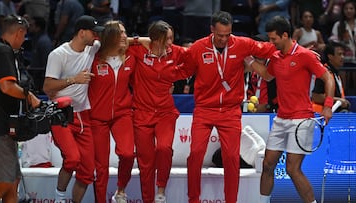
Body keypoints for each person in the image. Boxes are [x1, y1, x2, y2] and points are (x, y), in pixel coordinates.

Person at [181, 11, 276, 203]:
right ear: (212, 30)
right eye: (220, 35)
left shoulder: (241, 44)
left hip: (230, 111)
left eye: (227, 35)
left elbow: (269, 49)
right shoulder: (198, 48)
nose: (224, 39)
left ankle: (231, 200)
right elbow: (183, 69)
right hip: (204, 109)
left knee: (232, 158)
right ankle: (193, 199)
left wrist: (298, 50)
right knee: (196, 154)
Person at [245, 15, 335, 203]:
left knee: (292, 169)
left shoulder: (305, 55)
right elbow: (267, 76)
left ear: (285, 35)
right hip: (281, 118)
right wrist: (249, 59)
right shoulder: (275, 58)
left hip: (301, 120)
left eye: (273, 39)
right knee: (267, 164)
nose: (271, 42)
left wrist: (327, 106)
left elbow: (328, 78)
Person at [43, 15, 104, 203]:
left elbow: (119, 37)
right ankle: (59, 197)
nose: (96, 37)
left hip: (83, 114)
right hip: (61, 115)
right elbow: (47, 87)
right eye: (93, 32)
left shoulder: (92, 47)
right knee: (72, 159)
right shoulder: (58, 55)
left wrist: (139, 39)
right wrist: (73, 79)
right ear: (81, 33)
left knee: (87, 171)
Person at [127, 20, 186, 203]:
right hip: (142, 112)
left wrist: (177, 76)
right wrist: (139, 40)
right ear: (153, 38)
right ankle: (148, 199)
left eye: (171, 38)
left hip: (165, 112)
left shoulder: (176, 52)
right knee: (145, 161)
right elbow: (113, 40)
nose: (169, 43)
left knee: (164, 148)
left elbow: (196, 57)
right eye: (165, 39)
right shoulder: (139, 50)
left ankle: (161, 190)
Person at [88, 20, 135, 203]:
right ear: (109, 37)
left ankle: (120, 191)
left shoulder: (131, 57)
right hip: (97, 118)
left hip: (122, 114)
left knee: (127, 154)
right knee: (101, 167)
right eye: (120, 33)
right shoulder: (92, 57)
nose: (124, 36)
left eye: (125, 32)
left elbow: (151, 41)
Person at [0, 14, 40, 202]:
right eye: (24, 36)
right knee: (4, 182)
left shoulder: (6, 51)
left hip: (6, 127)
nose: (24, 41)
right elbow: (6, 86)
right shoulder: (2, 51)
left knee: (13, 182)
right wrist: (29, 96)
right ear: (20, 32)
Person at [312, 41, 351, 112]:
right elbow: (316, 97)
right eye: (339, 54)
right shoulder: (324, 73)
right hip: (321, 116)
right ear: (330, 56)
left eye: (343, 54)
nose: (342, 57)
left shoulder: (335, 73)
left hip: (335, 115)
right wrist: (338, 100)